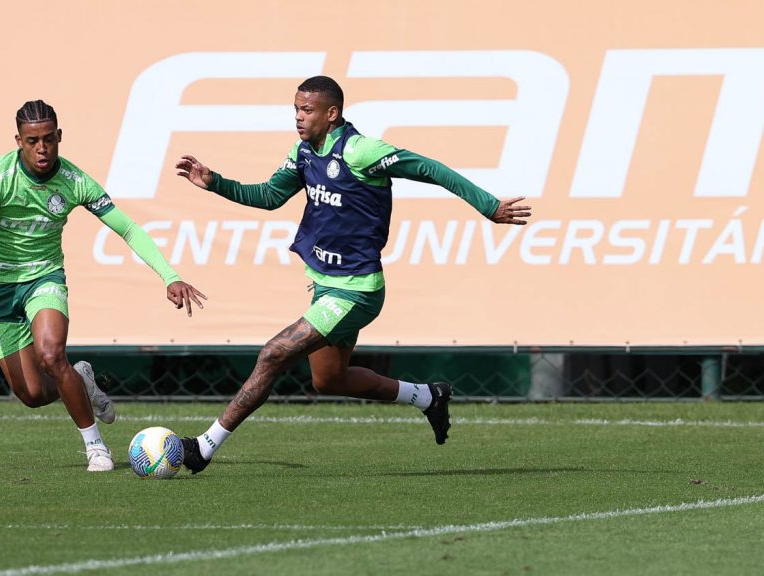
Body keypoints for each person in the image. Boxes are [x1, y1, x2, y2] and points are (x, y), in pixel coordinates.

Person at [174, 76, 530, 473]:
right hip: (326, 286)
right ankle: (428, 397)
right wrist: (215, 183)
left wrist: (488, 206)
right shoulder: (305, 152)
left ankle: (203, 447)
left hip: (356, 292)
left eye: (306, 110)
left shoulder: (362, 151)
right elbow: (270, 196)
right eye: (295, 109)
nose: (298, 117)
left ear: (332, 113)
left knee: (273, 354)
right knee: (329, 381)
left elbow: (430, 168)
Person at [0, 100, 207, 472]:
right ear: (18, 141)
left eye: (48, 139)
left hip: (43, 279)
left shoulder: (75, 181)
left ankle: (96, 447)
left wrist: (169, 275)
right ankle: (83, 380)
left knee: (51, 354)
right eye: (32, 141)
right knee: (32, 394)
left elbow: (126, 227)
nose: (41, 148)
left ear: (59, 136)